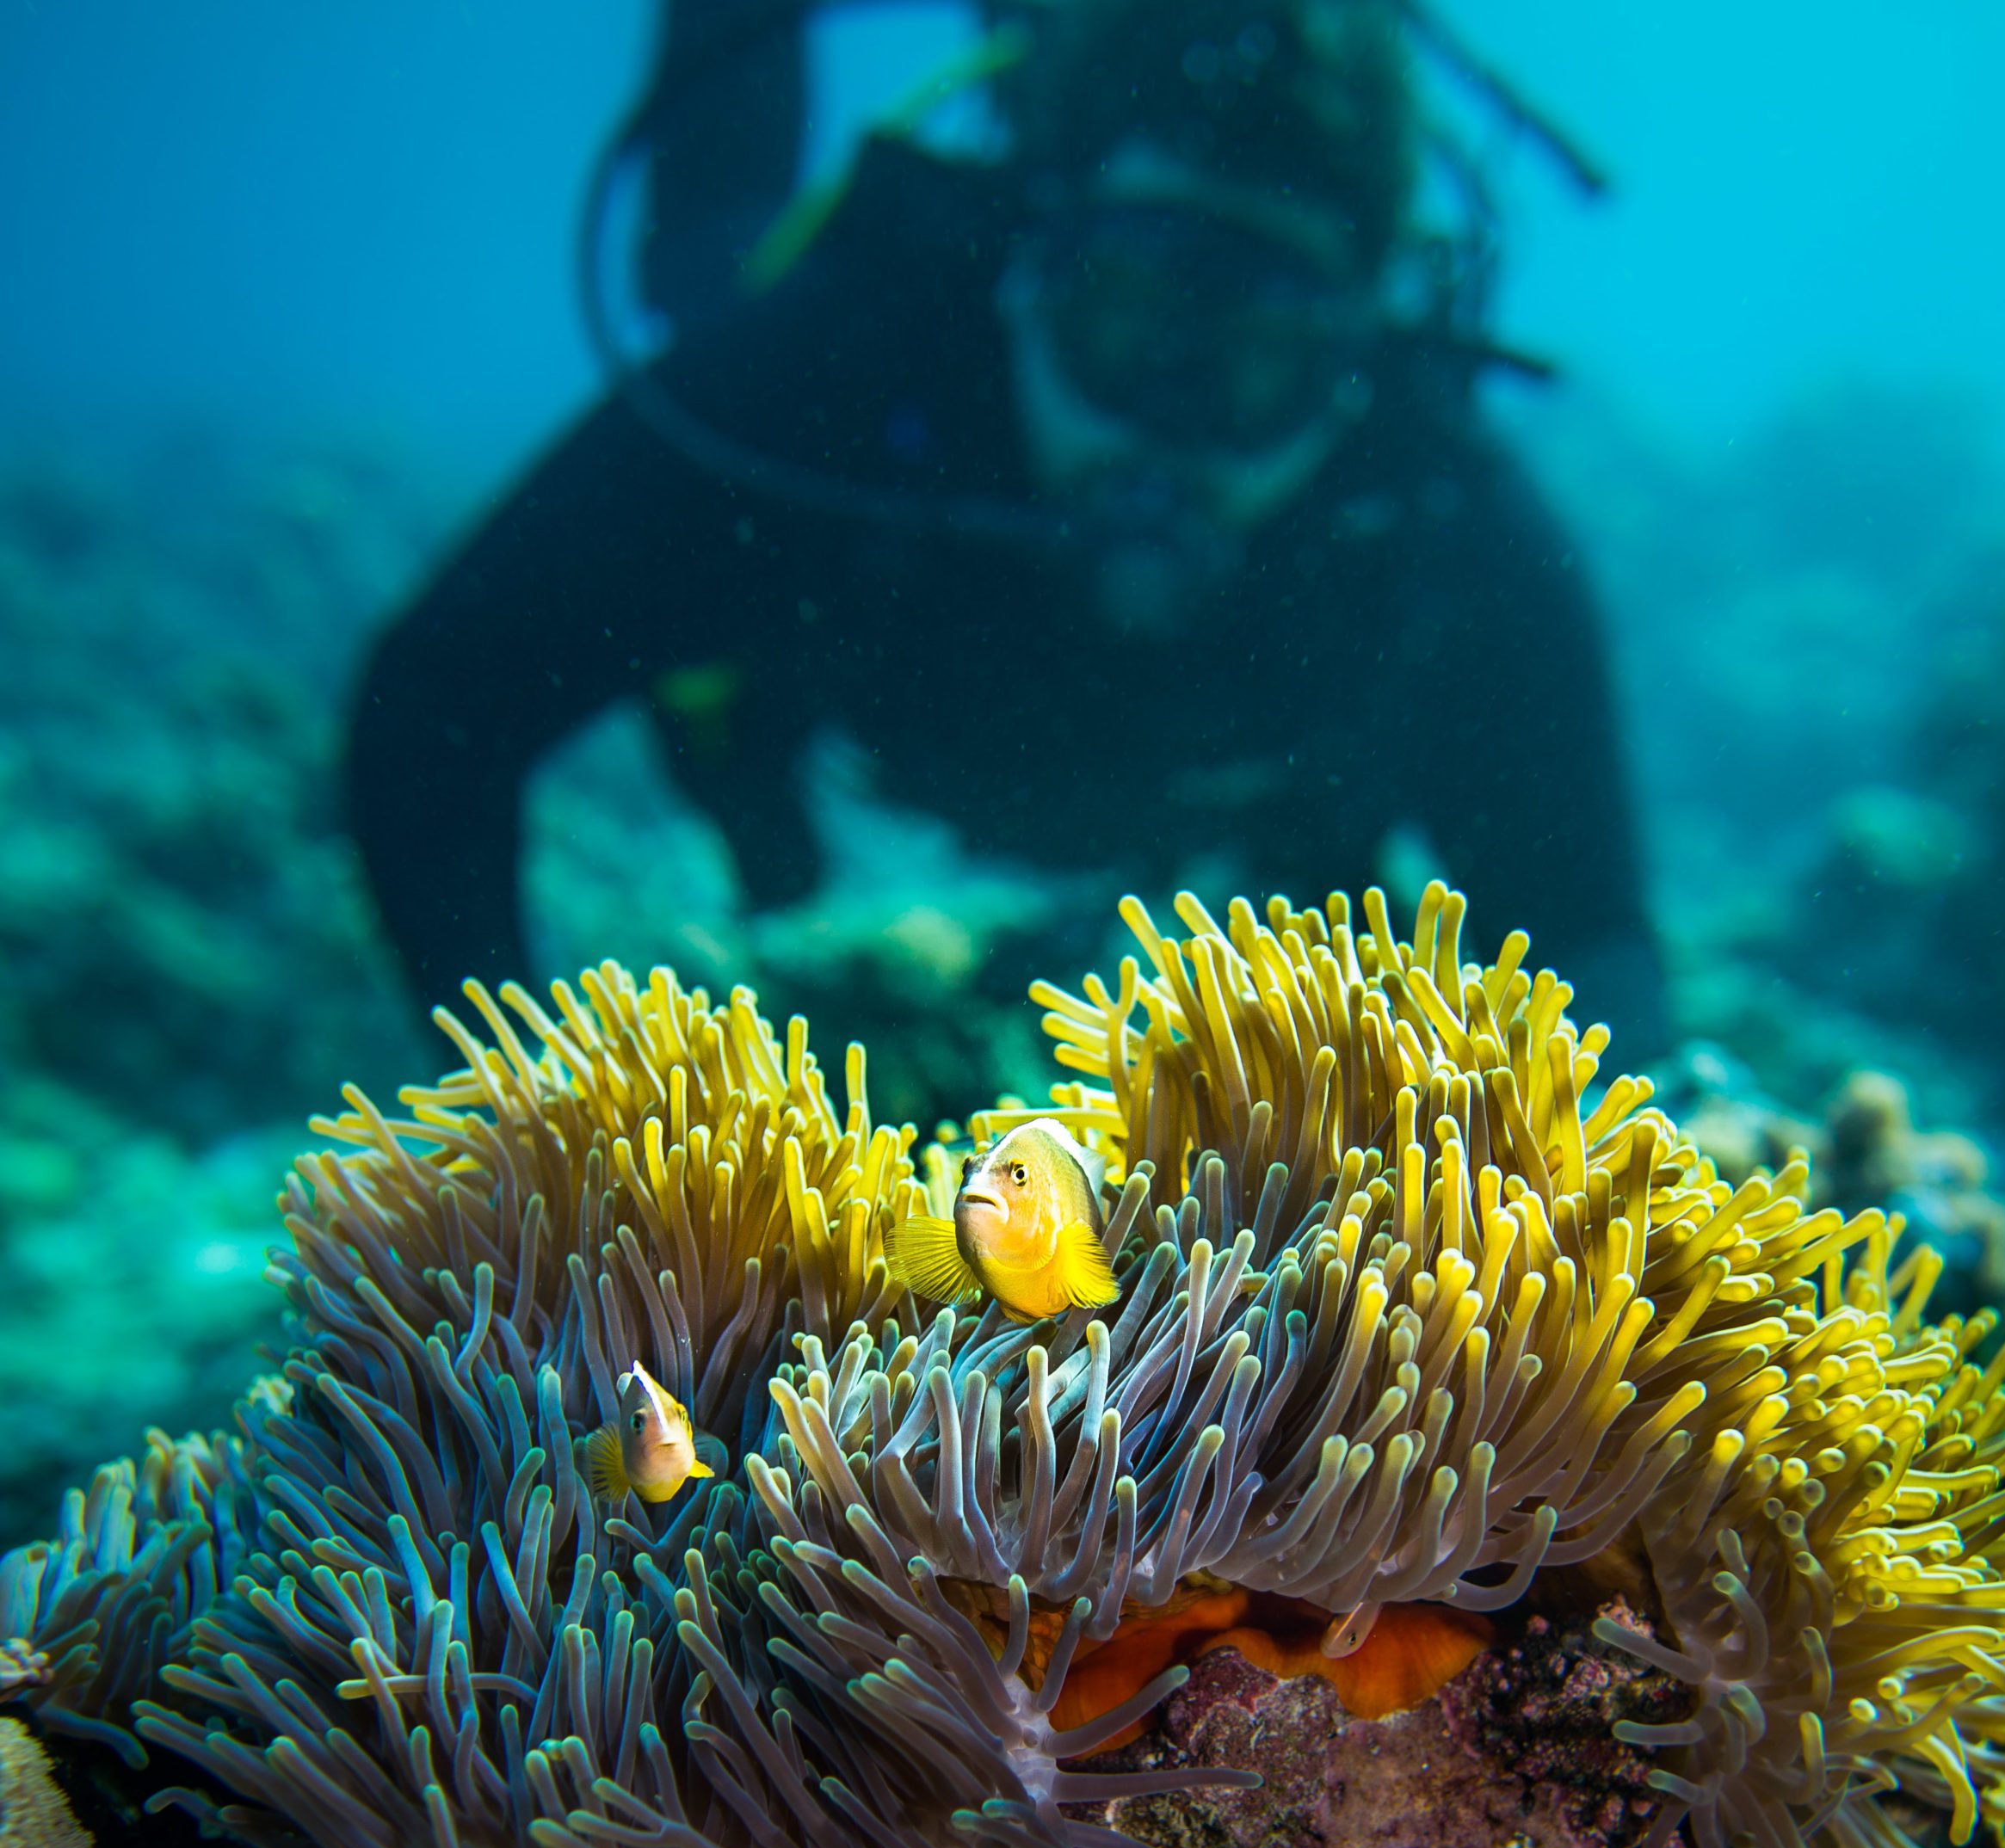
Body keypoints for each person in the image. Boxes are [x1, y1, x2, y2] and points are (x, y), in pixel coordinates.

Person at [345, 0, 1667, 1057]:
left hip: (1252, 845)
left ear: (1355, 369)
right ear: (1031, 278)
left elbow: (1587, 931)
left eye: (1258, 355)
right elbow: (436, 707)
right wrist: (520, 1131)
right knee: (711, 277)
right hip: (797, 640)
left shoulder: (1441, 531)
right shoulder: (833, 380)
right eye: (1126, 319)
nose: (1165, 426)